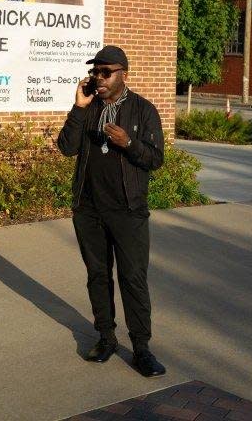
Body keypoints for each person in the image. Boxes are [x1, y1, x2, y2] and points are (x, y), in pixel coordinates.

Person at [57, 45, 166, 377]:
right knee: (98, 276)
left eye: (106, 73)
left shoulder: (143, 110)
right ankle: (105, 338)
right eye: (95, 72)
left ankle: (142, 349)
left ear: (123, 75)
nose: (98, 78)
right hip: (89, 209)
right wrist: (78, 106)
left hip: (128, 211)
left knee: (133, 278)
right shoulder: (88, 108)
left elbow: (155, 159)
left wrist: (128, 144)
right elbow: (66, 148)